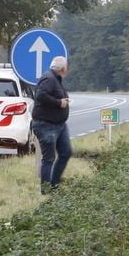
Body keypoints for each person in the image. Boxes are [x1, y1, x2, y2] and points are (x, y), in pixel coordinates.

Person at [32, 56, 72, 193]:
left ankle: (54, 185)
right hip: (46, 125)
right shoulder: (49, 79)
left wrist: (64, 100)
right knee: (48, 158)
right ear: (63, 68)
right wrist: (58, 103)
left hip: (60, 125)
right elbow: (41, 95)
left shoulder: (56, 79)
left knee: (66, 152)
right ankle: (46, 190)